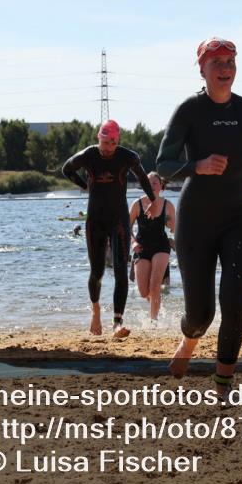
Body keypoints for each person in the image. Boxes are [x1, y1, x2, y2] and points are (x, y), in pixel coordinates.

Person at [157, 37, 242, 394]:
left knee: (236, 299)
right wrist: (199, 166)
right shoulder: (189, 111)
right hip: (196, 220)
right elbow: (163, 166)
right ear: (202, 68)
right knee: (201, 314)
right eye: (218, 63)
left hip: (241, 214)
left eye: (231, 62)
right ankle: (190, 340)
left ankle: (223, 381)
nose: (226, 69)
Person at [62, 120, 156, 338]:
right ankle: (95, 312)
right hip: (95, 220)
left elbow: (142, 177)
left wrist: (153, 200)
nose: (107, 148)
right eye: (104, 143)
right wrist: (83, 185)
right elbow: (67, 169)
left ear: (117, 141)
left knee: (121, 271)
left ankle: (117, 322)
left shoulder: (127, 156)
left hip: (119, 220)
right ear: (99, 138)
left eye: (112, 143)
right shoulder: (88, 155)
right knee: (97, 272)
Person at [129, 171, 174, 321]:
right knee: (143, 291)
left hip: (161, 246)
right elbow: (126, 227)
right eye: (148, 183)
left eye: (155, 183)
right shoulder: (137, 204)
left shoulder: (167, 205)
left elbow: (175, 228)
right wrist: (133, 242)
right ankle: (156, 307)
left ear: (161, 185)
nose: (152, 186)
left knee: (155, 287)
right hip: (141, 247)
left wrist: (175, 235)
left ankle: (153, 321)